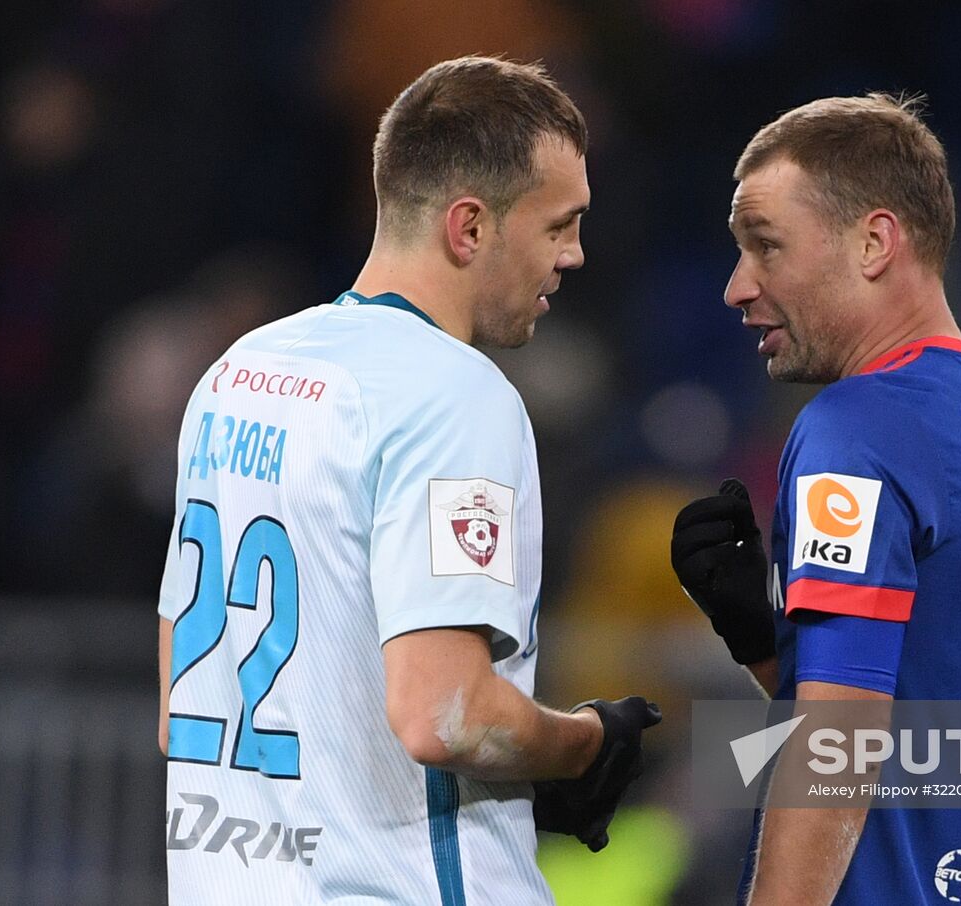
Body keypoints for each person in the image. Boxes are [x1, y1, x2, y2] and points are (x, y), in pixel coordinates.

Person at [157, 56, 661, 905]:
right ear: (469, 228)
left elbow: (180, 704)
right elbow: (446, 716)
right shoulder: (454, 395)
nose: (575, 255)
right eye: (559, 225)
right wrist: (584, 744)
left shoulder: (236, 373)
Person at [671, 94, 961, 905]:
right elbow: (928, 733)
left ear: (874, 242)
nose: (737, 286)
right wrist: (769, 647)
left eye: (766, 245)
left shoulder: (859, 426)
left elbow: (837, 748)